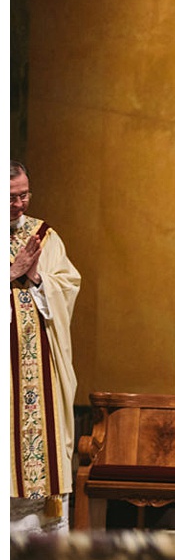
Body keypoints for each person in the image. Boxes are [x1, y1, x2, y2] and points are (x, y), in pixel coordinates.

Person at [10, 160, 82, 534]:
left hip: (41, 374)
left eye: (25, 195)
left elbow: (68, 284)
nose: (20, 205)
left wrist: (35, 275)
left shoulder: (44, 236)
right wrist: (10, 272)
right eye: (11, 198)